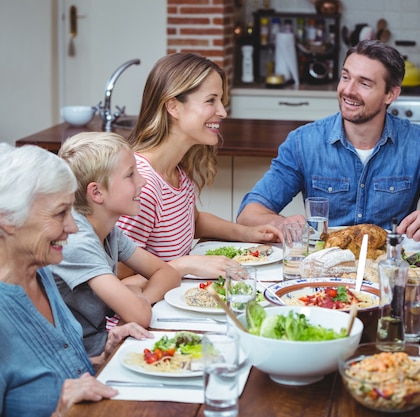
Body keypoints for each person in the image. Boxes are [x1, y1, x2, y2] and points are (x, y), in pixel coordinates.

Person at [236, 40, 420, 241]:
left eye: (364, 83)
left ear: (390, 94)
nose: (348, 91)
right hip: (324, 273)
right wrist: (281, 222)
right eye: (345, 77)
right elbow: (249, 213)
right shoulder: (303, 143)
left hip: (388, 271)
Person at [0, 143, 153, 417]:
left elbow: (52, 379)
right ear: (7, 220)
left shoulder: (42, 273)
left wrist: (102, 359)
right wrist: (58, 411)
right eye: (60, 213)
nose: (72, 227)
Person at [115, 53, 280, 278]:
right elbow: (116, 279)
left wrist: (248, 233)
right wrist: (183, 267)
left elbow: (194, 221)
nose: (222, 111)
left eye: (221, 101)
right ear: (173, 106)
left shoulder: (176, 172)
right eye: (211, 100)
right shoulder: (143, 185)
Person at [49, 132, 180, 357]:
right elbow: (139, 316)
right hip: (82, 360)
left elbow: (167, 272)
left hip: (103, 346)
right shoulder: (77, 240)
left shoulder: (109, 231)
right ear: (97, 192)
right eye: (130, 175)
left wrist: (141, 297)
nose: (143, 181)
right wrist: (134, 299)